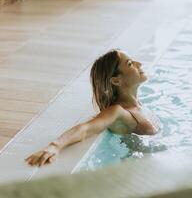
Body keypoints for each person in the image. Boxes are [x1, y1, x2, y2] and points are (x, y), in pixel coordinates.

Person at [25, 49, 161, 167]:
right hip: (140, 167)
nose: (139, 64)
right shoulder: (118, 111)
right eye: (130, 64)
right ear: (116, 80)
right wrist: (54, 146)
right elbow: (86, 128)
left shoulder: (137, 104)